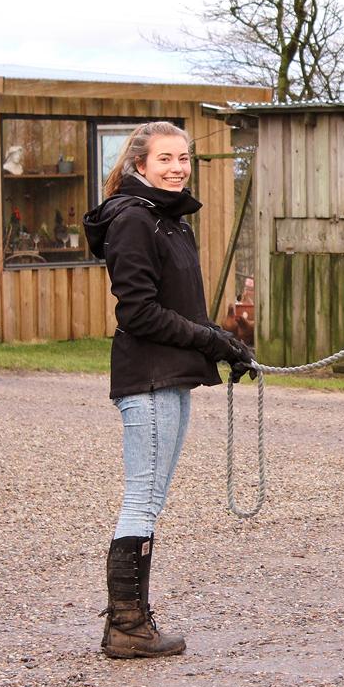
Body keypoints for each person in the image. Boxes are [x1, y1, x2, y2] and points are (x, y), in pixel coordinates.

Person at [83, 121, 255, 659]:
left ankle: (130, 622)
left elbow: (181, 309)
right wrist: (210, 339)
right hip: (147, 378)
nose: (178, 168)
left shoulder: (168, 218)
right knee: (142, 499)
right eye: (165, 159)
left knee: (150, 501)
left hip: (170, 377)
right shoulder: (134, 220)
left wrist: (225, 343)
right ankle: (127, 626)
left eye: (183, 158)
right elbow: (138, 312)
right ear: (140, 164)